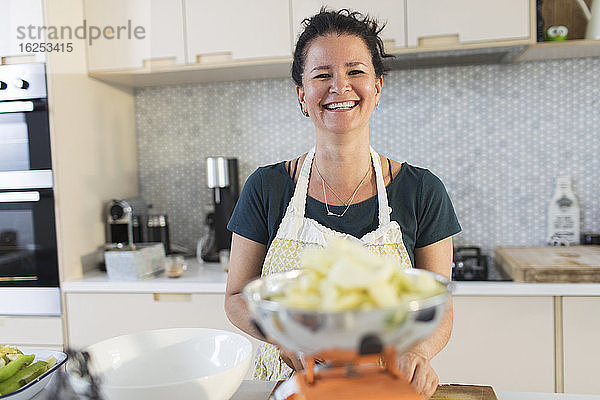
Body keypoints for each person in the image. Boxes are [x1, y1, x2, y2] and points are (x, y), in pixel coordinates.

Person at [224, 8, 461, 399]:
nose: (340, 87)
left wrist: (419, 352)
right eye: (322, 75)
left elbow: (439, 306)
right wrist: (287, 340)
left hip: (387, 385)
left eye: (355, 71)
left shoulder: (422, 190)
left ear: (378, 87)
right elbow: (236, 298)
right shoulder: (266, 186)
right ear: (302, 94)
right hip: (286, 384)